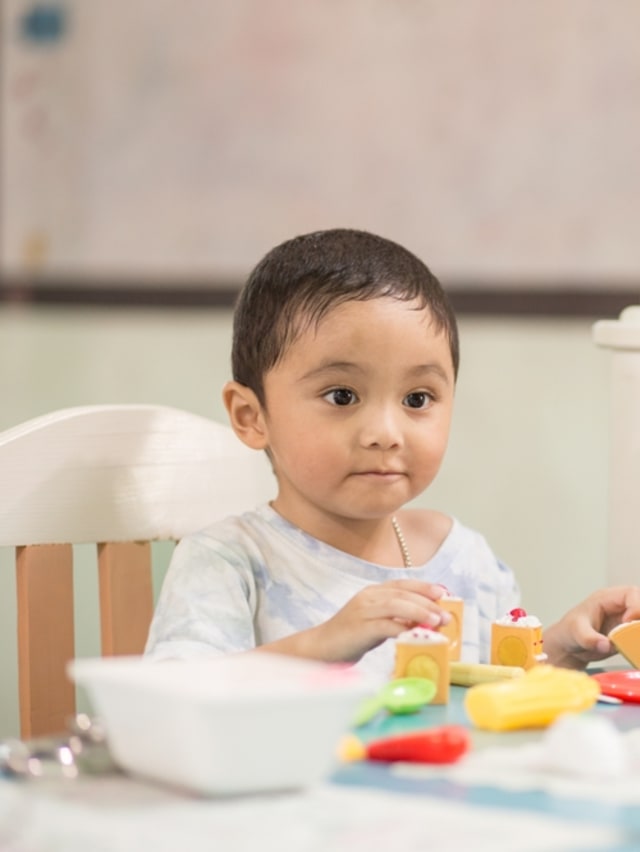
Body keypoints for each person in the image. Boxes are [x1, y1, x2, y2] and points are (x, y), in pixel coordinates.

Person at [145, 228, 640, 676]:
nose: (385, 433)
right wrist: (321, 645)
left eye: (417, 399)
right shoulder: (230, 560)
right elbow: (171, 698)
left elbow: (487, 691)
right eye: (342, 396)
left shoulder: (465, 561)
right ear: (251, 416)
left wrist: (564, 648)